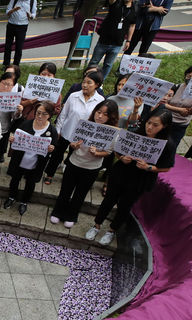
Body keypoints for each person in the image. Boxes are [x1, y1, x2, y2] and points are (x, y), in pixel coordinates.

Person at [86, 109, 175, 245]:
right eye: (149, 122)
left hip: (140, 180)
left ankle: (111, 230)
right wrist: (122, 157)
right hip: (121, 174)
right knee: (108, 201)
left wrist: (149, 167)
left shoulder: (168, 145)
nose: (150, 127)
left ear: (165, 126)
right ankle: (96, 225)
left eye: (155, 125)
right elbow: (117, 150)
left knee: (125, 206)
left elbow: (166, 167)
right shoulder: (135, 133)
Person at [50, 100, 119, 228]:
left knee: (80, 194)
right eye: (98, 112)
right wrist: (74, 145)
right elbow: (72, 142)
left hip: (92, 168)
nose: (100, 116)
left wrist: (98, 153)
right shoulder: (84, 125)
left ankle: (72, 215)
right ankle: (58, 211)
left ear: (111, 117)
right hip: (74, 163)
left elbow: (109, 152)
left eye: (105, 114)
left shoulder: (113, 132)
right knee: (65, 190)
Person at [45, 70, 105, 184]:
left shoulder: (100, 100)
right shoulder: (73, 96)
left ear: (97, 85)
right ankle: (50, 173)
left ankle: (68, 175)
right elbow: (63, 114)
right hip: (66, 131)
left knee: (74, 156)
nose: (85, 85)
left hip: (82, 136)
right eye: (84, 82)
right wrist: (58, 130)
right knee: (57, 154)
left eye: (89, 82)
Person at [4, 101, 58, 215]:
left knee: (30, 183)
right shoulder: (26, 124)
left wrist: (51, 149)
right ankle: (11, 197)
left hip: (35, 163)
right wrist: (13, 140)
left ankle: (24, 202)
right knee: (15, 180)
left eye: (44, 114)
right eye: (38, 113)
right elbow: (16, 135)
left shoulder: (52, 131)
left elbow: (54, 148)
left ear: (49, 115)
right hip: (20, 160)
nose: (40, 116)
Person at [0, 71, 25, 176]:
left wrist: (19, 111)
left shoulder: (13, 98)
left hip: (3, 128)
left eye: (9, 84)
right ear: (0, 82)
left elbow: (14, 117)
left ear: (13, 86)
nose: (6, 86)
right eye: (4, 83)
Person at [88, 0, 137, 80]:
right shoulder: (116, 3)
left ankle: (101, 81)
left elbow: (132, 25)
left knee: (108, 64)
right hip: (104, 40)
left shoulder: (135, 9)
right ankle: (88, 78)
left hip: (117, 43)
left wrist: (128, 40)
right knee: (94, 62)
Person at [162, 66, 192, 152]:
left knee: (171, 148)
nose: (189, 79)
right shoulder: (177, 87)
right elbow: (163, 104)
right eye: (188, 76)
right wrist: (179, 110)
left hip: (180, 124)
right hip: (166, 120)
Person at [4, 0, 36, 66]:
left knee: (19, 47)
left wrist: (30, 16)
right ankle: (6, 64)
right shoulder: (14, 0)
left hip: (23, 26)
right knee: (8, 46)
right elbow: (7, 12)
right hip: (11, 25)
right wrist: (13, 10)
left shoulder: (32, 1)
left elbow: (34, 13)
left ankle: (16, 65)